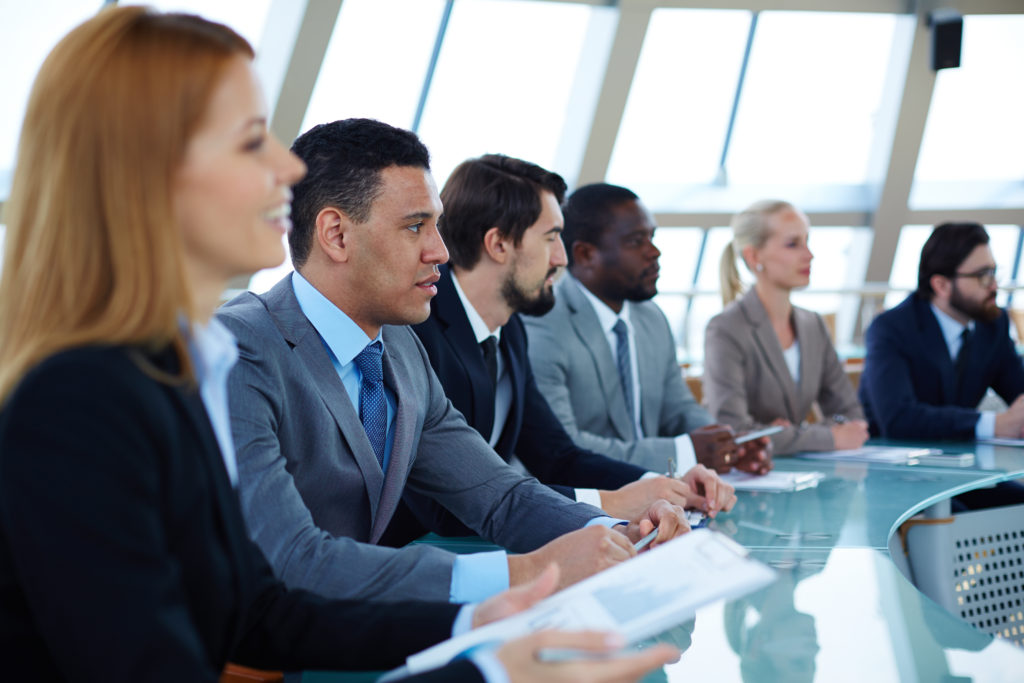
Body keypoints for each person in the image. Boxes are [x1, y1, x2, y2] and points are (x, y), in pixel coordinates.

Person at [0, 8, 678, 681]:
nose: (286, 168)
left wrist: (480, 622)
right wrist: (489, 667)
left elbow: (258, 610)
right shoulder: (84, 398)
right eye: (250, 140)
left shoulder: (186, 366)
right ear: (149, 172)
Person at [217, 119, 688, 607]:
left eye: (435, 225)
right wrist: (521, 572)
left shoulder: (399, 347)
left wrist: (619, 533)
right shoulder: (241, 350)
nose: (440, 251)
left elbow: (499, 496)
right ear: (336, 234)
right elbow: (294, 559)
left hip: (369, 628)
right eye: (415, 226)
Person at [395, 154, 735, 542]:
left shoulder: (510, 329)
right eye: (551, 237)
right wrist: (610, 503)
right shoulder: (418, 333)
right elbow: (450, 507)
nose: (562, 258)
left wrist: (660, 485)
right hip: (411, 561)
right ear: (498, 244)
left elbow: (556, 455)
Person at [524, 183, 771, 476]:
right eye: (635, 241)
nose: (654, 252)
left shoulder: (651, 318)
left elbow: (677, 408)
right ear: (586, 254)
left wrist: (726, 444)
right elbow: (564, 446)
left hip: (665, 496)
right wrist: (684, 453)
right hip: (592, 502)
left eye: (652, 237)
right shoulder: (542, 324)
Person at [702, 200, 868, 455]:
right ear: (754, 256)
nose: (809, 254)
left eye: (807, 241)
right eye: (793, 244)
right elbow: (733, 431)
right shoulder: (726, 329)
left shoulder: (813, 325)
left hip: (804, 475)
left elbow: (851, 417)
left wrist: (788, 435)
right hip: (749, 482)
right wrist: (827, 437)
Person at [860, 222, 1024, 441]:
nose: (994, 286)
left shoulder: (993, 323)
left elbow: (1017, 386)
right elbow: (898, 419)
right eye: (982, 275)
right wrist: (993, 424)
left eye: (994, 273)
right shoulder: (892, 328)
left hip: (965, 461)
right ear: (941, 285)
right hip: (896, 464)